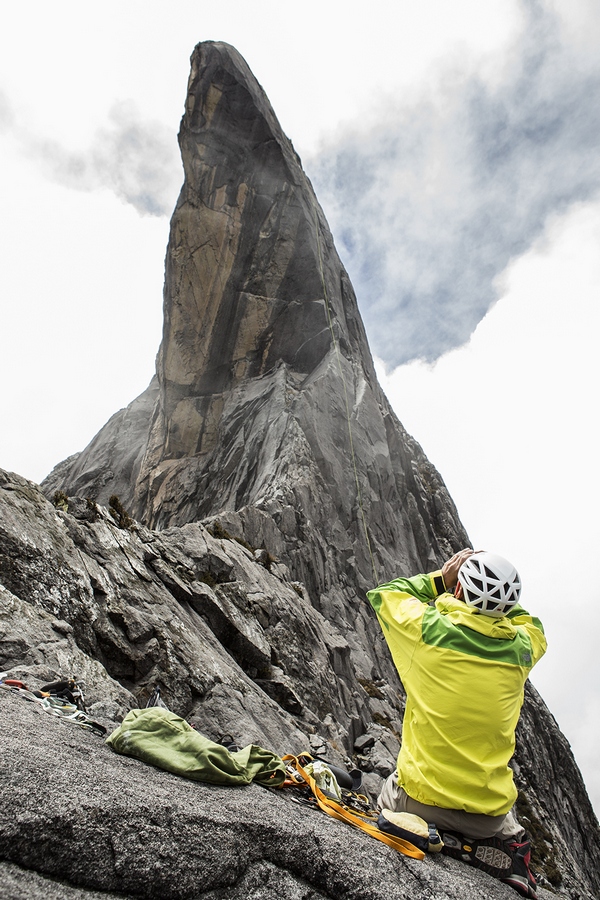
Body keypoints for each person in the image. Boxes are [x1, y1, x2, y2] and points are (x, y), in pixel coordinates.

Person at [367, 549, 547, 898]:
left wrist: (441, 580)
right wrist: (501, 602)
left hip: (418, 801)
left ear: (460, 590)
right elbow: (531, 624)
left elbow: (386, 593)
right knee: (503, 816)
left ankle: (424, 832)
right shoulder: (524, 649)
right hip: (488, 817)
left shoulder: (427, 629)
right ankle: (508, 848)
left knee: (386, 795)